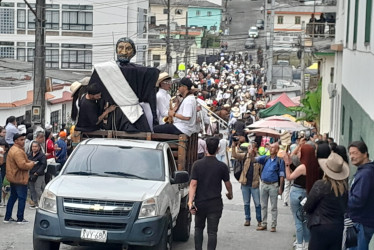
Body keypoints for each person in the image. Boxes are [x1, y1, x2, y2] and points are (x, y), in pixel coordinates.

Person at [85, 37, 159, 132]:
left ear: (133, 52)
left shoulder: (139, 71)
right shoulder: (105, 69)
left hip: (134, 112)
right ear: (116, 49)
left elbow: (150, 89)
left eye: (128, 48)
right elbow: (94, 92)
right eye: (120, 47)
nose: (124, 52)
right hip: (112, 112)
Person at [189, 137, 233, 250]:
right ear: (218, 149)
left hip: (200, 203)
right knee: (212, 232)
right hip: (215, 204)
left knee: (198, 229)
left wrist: (190, 202)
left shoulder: (197, 165)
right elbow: (228, 184)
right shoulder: (222, 166)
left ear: (206, 148)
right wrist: (230, 194)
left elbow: (193, 184)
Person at [304, 152, 349, 250]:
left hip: (320, 226)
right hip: (338, 227)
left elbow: (308, 206)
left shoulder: (321, 185)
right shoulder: (345, 188)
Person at [284, 144, 320, 249]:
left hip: (297, 193)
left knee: (298, 220)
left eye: (300, 151)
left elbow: (289, 177)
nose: (299, 153)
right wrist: (290, 163)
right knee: (305, 220)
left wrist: (286, 165)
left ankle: (299, 244)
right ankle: (307, 243)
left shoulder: (302, 166)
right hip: (307, 193)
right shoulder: (315, 165)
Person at [4, 133, 36, 224]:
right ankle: (20, 218)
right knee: (22, 198)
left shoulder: (13, 149)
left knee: (13, 197)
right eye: (21, 140)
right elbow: (22, 165)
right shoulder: (17, 151)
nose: (23, 141)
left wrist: (29, 162)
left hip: (13, 177)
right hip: (19, 178)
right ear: (15, 141)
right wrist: (32, 164)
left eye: (24, 139)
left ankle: (7, 217)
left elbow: (22, 162)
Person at [347, 141, 374, 250]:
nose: (352, 157)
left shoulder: (366, 174)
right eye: (350, 153)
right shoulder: (365, 170)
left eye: (355, 153)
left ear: (365, 154)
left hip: (361, 222)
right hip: (363, 221)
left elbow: (357, 201)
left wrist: (344, 198)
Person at [253, 142, 285, 232]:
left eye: (273, 148)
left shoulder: (280, 161)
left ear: (277, 150)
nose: (271, 149)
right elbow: (255, 159)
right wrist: (251, 152)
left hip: (273, 185)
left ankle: (273, 225)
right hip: (264, 184)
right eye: (270, 147)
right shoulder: (266, 158)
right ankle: (264, 224)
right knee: (263, 205)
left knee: (273, 206)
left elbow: (282, 175)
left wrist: (281, 187)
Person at [232, 141, 262, 227]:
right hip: (245, 183)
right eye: (249, 147)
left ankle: (259, 220)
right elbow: (235, 155)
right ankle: (247, 219)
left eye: (251, 147)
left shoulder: (259, 159)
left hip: (254, 184)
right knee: (246, 203)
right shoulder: (245, 156)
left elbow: (261, 172)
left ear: (255, 149)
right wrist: (233, 147)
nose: (250, 149)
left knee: (257, 203)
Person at [27, 141, 47, 209]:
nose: (34, 148)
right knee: (32, 189)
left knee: (38, 189)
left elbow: (44, 165)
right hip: (31, 173)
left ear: (38, 147)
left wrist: (37, 172)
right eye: (33, 146)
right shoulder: (29, 154)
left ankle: (42, 203)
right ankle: (35, 203)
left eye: (35, 146)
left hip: (39, 174)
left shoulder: (42, 155)